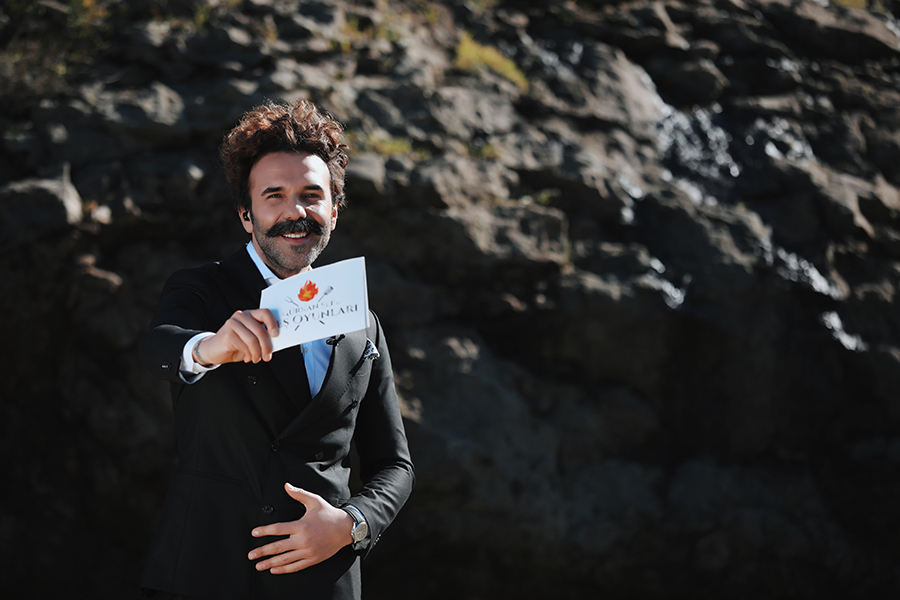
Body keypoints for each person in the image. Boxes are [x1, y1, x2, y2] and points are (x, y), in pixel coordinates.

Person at [139, 99, 414, 600]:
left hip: (321, 580)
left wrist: (351, 524)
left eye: (311, 196)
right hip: (205, 570)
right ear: (246, 215)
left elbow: (395, 465)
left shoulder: (364, 324)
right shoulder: (201, 290)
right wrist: (210, 347)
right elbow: (159, 346)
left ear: (334, 211)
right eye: (274, 196)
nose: (295, 213)